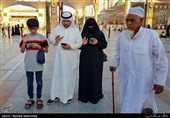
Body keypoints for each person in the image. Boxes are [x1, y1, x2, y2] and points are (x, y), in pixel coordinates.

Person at [109, 6, 168, 113]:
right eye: (127, 20)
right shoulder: (122, 35)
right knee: (127, 99)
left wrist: (160, 81)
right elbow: (118, 53)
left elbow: (161, 59)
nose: (129, 23)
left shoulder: (151, 35)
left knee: (134, 103)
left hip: (142, 79)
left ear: (141, 20)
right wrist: (114, 64)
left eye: (133, 20)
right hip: (125, 77)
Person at [47, 11, 82, 104]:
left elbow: (79, 43)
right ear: (62, 21)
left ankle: (68, 96)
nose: (65, 23)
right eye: (64, 21)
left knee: (68, 76)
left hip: (70, 59)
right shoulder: (57, 29)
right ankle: (55, 95)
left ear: (71, 21)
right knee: (57, 75)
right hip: (58, 59)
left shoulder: (75, 30)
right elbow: (50, 39)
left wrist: (70, 46)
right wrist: (55, 40)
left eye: (67, 21)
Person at [19, 18, 49, 109]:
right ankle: (31, 98)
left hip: (38, 63)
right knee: (29, 83)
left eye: (35, 28)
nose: (33, 30)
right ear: (28, 28)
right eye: (31, 28)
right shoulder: (25, 37)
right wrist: (24, 42)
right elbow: (22, 51)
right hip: (28, 63)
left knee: (39, 82)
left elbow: (46, 50)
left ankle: (39, 98)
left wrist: (39, 47)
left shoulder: (42, 37)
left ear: (38, 27)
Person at [78, 18, 107, 104]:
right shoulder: (83, 34)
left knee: (95, 76)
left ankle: (95, 95)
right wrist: (83, 43)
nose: (90, 27)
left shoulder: (100, 33)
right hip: (85, 59)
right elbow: (79, 47)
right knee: (85, 76)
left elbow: (104, 44)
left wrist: (97, 42)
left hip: (96, 60)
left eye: (92, 26)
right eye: (88, 26)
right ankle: (84, 96)